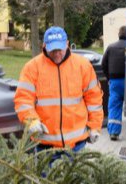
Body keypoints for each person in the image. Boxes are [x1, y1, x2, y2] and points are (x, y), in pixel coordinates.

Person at [14, 26, 104, 154]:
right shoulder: (32, 68)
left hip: (77, 145)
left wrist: (95, 126)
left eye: (60, 49)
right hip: (45, 145)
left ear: (67, 44)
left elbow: (94, 99)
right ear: (44, 46)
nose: (57, 54)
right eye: (53, 50)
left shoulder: (82, 66)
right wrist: (31, 121)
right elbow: (23, 100)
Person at [100, 26, 126, 140]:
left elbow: (103, 64)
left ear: (119, 34)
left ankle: (114, 133)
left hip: (115, 82)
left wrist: (109, 77)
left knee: (114, 106)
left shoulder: (111, 47)